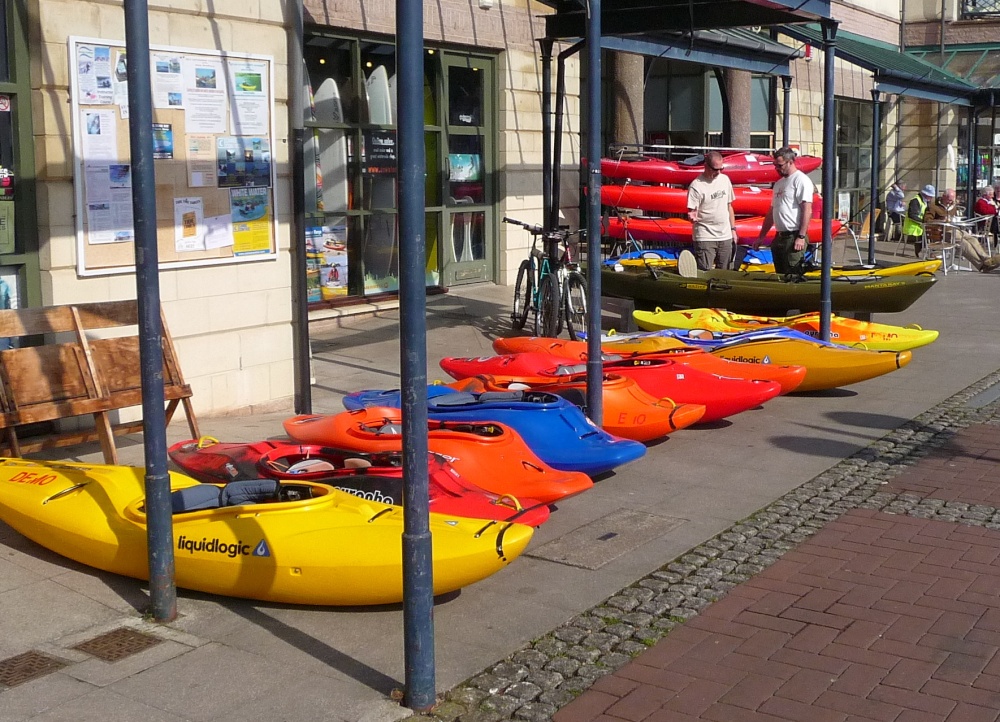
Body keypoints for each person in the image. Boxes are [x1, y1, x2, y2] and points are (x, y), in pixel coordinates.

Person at [754, 147, 814, 278]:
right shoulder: (779, 184)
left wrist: (801, 236)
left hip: (794, 235)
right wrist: (761, 237)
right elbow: (772, 211)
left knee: (792, 273)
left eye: (780, 165)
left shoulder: (801, 180)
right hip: (779, 236)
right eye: (775, 165)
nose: (777, 168)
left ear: (790, 162)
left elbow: (807, 209)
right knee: (780, 275)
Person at [925, 188, 1000, 272]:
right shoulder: (933, 206)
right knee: (964, 244)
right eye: (949, 200)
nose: (950, 202)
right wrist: (941, 220)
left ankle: (988, 260)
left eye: (952, 200)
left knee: (972, 239)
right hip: (941, 232)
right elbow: (927, 220)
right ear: (943, 197)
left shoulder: (952, 206)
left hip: (954, 228)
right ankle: (981, 266)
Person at [686, 151, 736, 270]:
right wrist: (692, 216)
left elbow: (729, 206)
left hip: (725, 235)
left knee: (724, 274)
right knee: (705, 272)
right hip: (705, 236)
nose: (718, 172)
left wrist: (733, 229)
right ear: (706, 166)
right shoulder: (696, 185)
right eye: (715, 169)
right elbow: (692, 211)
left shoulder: (725, 179)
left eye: (721, 169)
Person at [902, 184, 934, 256]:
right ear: (926, 194)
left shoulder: (925, 201)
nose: (931, 197)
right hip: (913, 226)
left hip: (920, 225)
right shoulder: (915, 201)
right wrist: (923, 222)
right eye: (930, 196)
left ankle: (931, 251)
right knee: (929, 233)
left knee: (933, 231)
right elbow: (912, 215)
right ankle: (928, 251)